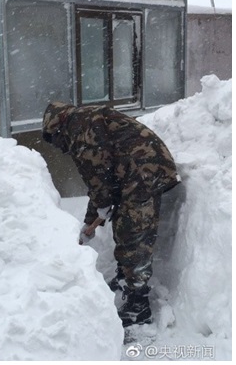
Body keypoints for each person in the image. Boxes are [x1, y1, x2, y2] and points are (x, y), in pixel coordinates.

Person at [42, 101, 181, 327]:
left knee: (133, 235)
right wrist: (92, 219)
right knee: (123, 225)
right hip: (134, 171)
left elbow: (98, 177)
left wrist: (101, 205)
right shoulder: (82, 122)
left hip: (144, 171)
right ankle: (126, 277)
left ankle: (139, 306)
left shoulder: (80, 128)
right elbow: (98, 181)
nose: (60, 147)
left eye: (56, 141)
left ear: (58, 127)